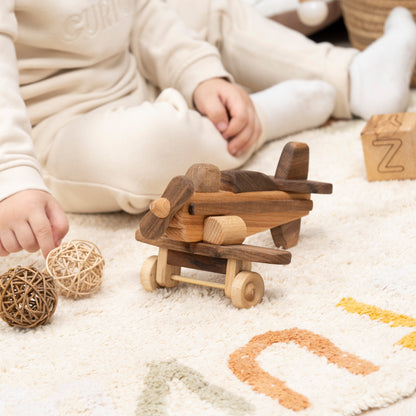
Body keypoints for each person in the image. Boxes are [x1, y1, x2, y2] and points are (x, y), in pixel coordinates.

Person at [0, 0, 415, 258]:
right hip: (53, 130)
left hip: (133, 74)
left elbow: (145, 12)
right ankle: (262, 118)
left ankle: (350, 78)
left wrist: (200, 75)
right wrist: (12, 175)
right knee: (148, 148)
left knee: (204, 8)